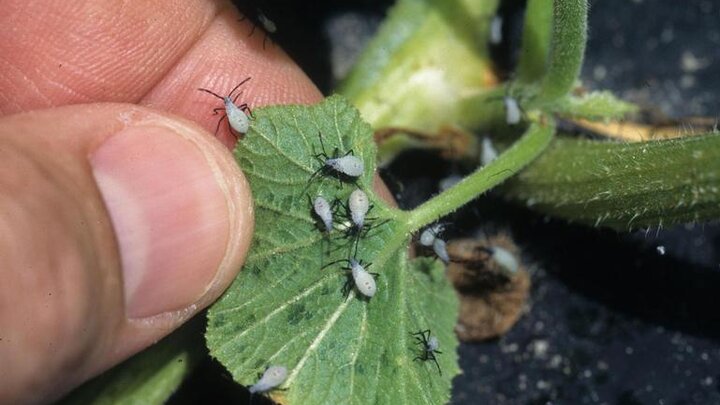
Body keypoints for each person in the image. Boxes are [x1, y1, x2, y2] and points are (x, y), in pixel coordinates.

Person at [0, 1, 323, 403]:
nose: (228, 106)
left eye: (230, 103)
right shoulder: (230, 110)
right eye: (228, 104)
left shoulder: (230, 110)